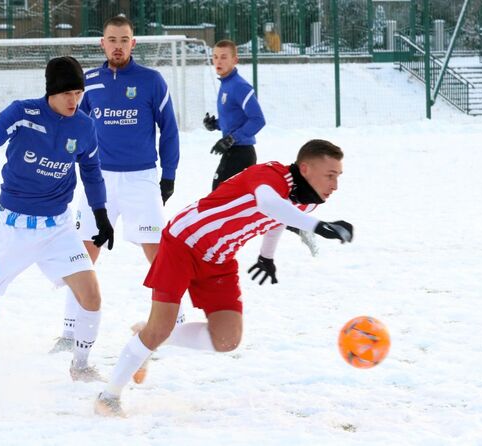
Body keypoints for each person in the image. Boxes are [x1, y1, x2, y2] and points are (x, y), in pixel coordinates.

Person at [94, 139, 354, 416]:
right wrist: (318, 227)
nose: (335, 185)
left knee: (227, 339)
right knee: (160, 327)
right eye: (330, 175)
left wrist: (267, 256)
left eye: (338, 176)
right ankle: (108, 397)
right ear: (305, 168)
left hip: (219, 257)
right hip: (183, 242)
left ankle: (147, 335)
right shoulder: (270, 175)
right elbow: (269, 203)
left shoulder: (308, 200)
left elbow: (280, 217)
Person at [0, 56, 114, 388]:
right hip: (11, 230)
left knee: (91, 295)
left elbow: (91, 171)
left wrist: (101, 214)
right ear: (51, 92)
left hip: (58, 229)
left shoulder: (85, 126)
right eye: (67, 94)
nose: (74, 100)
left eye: (78, 92)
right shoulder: (23, 113)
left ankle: (81, 366)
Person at [49, 15, 183, 354]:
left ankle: (177, 324)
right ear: (102, 43)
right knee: (82, 254)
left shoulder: (152, 81)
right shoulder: (88, 82)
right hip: (100, 181)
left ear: (133, 43)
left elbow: (169, 130)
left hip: (141, 179)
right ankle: (69, 331)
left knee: (158, 255)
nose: (118, 46)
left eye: (124, 40)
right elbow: (72, 126)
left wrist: (168, 175)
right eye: (112, 39)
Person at [203, 39, 266, 191]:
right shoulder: (226, 84)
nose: (218, 61)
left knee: (218, 198)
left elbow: (258, 120)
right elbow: (235, 119)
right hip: (234, 151)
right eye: (215, 57)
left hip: (241, 153)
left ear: (235, 60)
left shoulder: (239, 86)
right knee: (228, 202)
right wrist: (216, 124)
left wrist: (231, 139)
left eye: (224, 57)